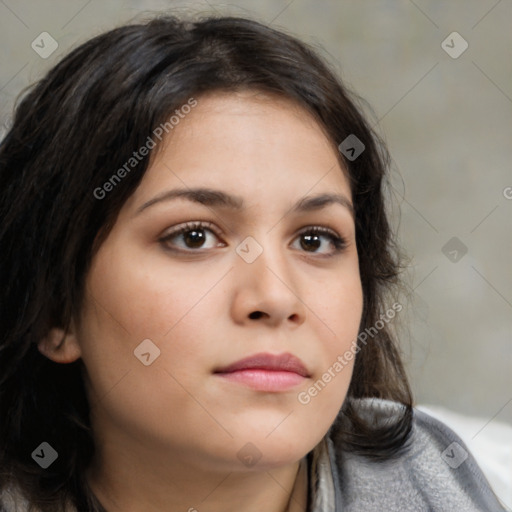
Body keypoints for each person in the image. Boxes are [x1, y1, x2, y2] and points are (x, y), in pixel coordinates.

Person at [0, 13, 506, 512]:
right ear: (55, 310)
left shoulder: (478, 483)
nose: (275, 298)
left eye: (314, 240)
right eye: (194, 237)